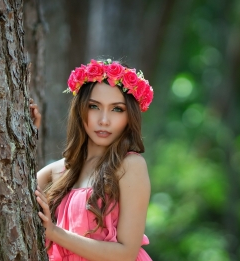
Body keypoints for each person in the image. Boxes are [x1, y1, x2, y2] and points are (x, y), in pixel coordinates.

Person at [31, 59, 154, 261]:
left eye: (117, 109)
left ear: (129, 116)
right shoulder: (60, 171)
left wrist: (54, 233)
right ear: (80, 110)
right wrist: (26, 134)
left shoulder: (130, 166)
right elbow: (10, 190)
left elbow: (126, 253)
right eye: (94, 106)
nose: (104, 120)